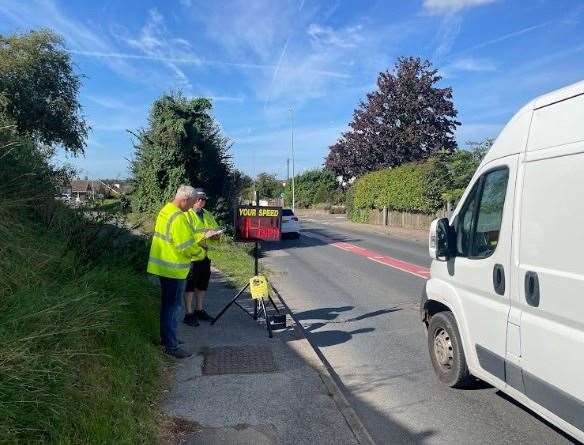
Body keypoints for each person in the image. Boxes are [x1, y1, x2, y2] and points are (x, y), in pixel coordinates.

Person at [147, 185, 205, 358]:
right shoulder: (178, 217)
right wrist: (201, 252)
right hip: (173, 269)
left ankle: (167, 339)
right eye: (192, 203)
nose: (191, 207)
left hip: (163, 266)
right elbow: (185, 247)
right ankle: (171, 346)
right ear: (184, 200)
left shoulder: (166, 210)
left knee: (167, 307)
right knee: (173, 308)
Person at [183, 188, 220, 326]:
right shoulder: (186, 215)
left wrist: (216, 235)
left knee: (202, 285)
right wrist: (203, 236)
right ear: (193, 200)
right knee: (190, 286)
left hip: (204, 255)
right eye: (199, 199)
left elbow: (215, 230)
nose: (201, 202)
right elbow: (185, 236)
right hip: (191, 257)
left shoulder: (208, 214)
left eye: (203, 199)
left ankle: (199, 310)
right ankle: (188, 313)